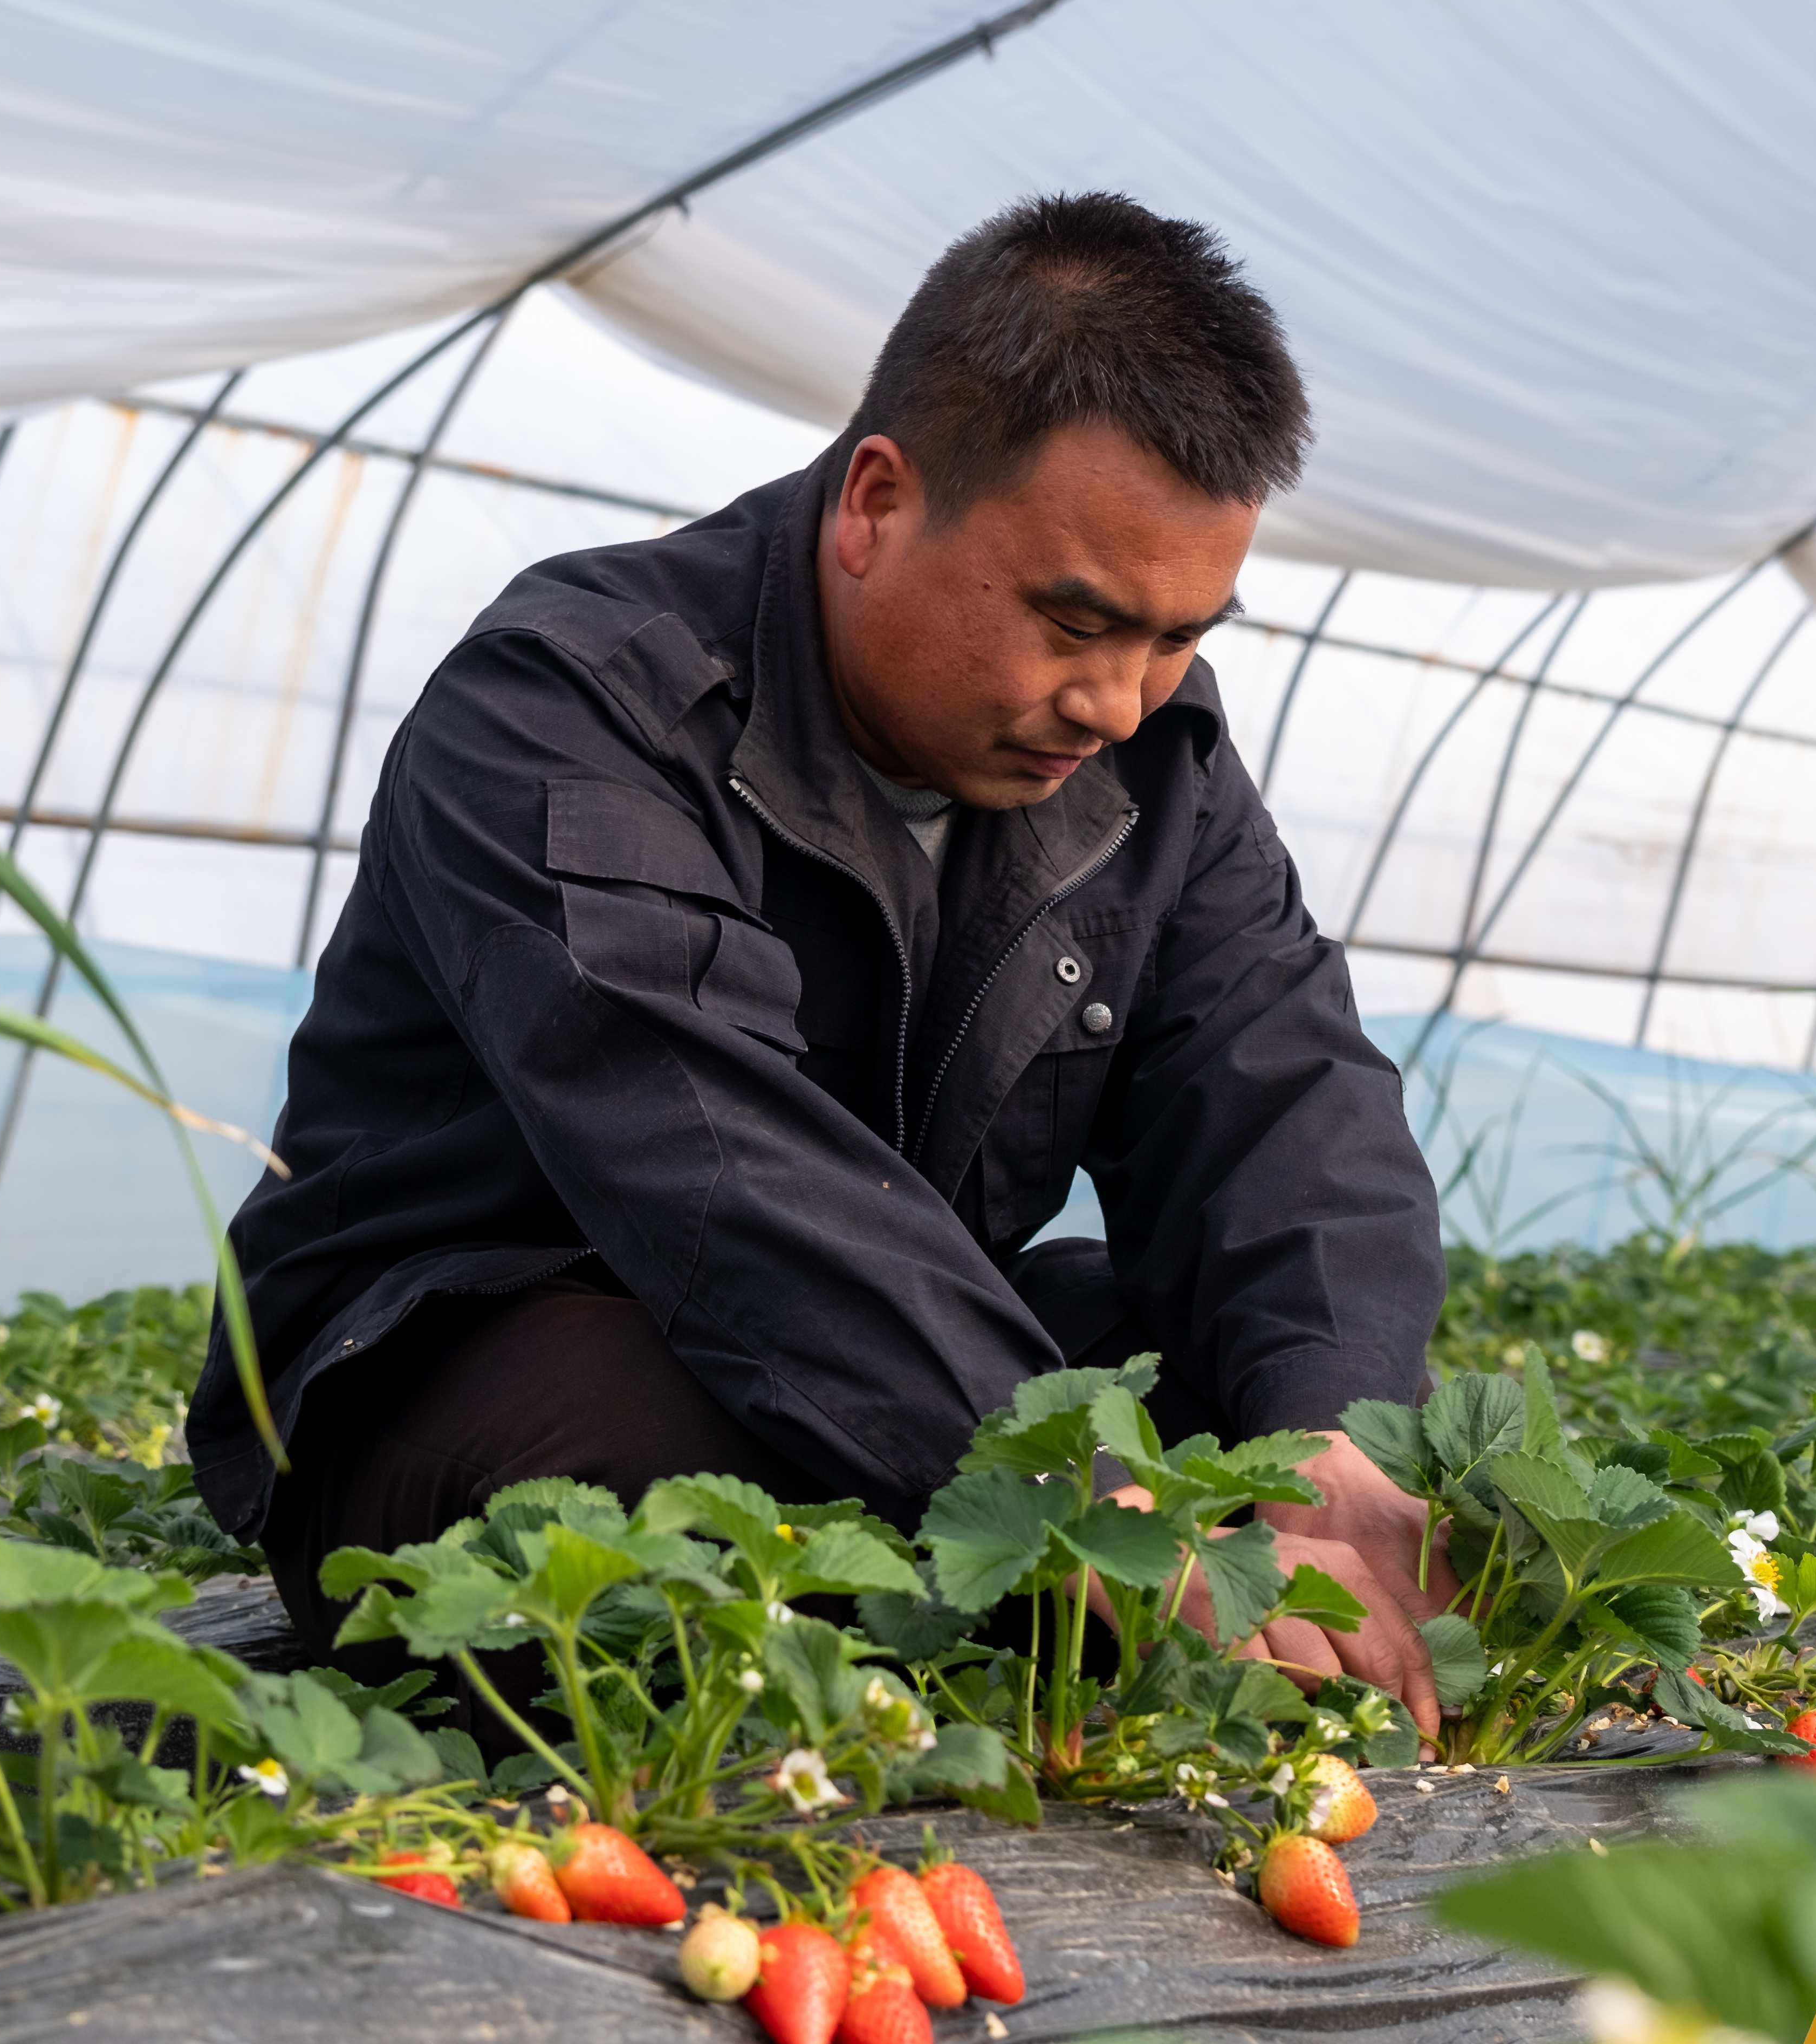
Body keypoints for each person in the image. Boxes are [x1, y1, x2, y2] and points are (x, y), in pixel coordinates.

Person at [185, 194, 1454, 1726]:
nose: (1118, 700)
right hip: (477, 1356)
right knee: (685, 1463)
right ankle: (1006, 1651)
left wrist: (1325, 1433)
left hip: (880, 1352)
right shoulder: (580, 705)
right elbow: (715, 1171)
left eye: (1179, 637)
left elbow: (1285, 1089)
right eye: (1076, 621)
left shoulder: (1154, 772)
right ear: (875, 503)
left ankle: (1048, 1613)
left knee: (1251, 1411)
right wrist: (1074, 1499)